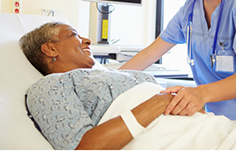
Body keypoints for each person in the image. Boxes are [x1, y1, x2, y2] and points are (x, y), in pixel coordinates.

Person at [20, 22, 236, 150]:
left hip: (215, 129)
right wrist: (158, 103)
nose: (87, 41)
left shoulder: (112, 74)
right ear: (49, 49)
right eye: (74, 35)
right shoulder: (48, 87)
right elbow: (82, 148)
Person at [119, 0, 236, 121]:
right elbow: (150, 53)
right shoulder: (189, 11)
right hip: (216, 122)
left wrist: (200, 93)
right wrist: (109, 79)